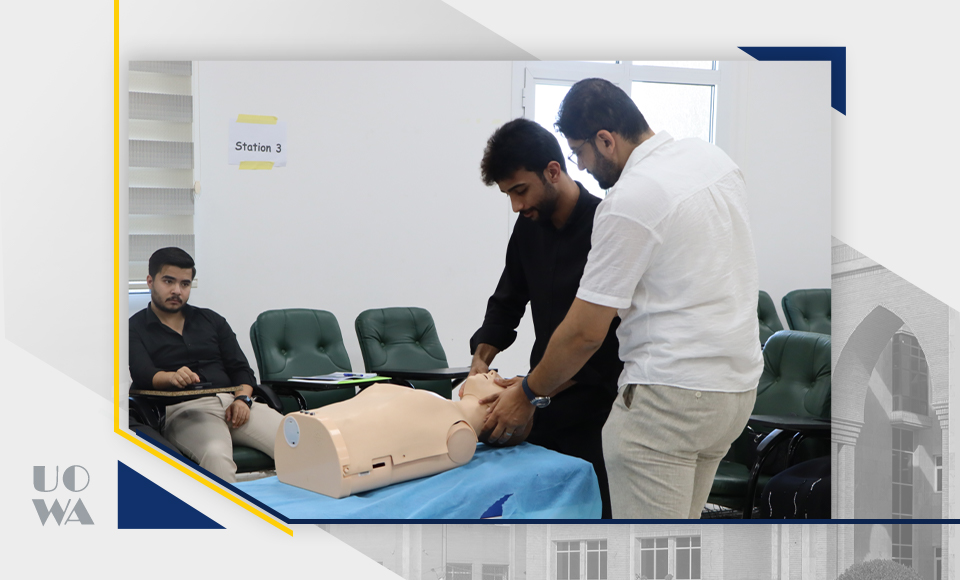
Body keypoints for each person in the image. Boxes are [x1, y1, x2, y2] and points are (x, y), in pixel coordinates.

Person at [482, 79, 763, 519]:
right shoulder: (713, 161)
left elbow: (584, 335)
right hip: (732, 391)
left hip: (667, 400)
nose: (581, 165)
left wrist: (527, 393)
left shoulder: (627, 201)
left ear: (605, 140)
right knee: (681, 542)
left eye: (579, 153)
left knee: (647, 550)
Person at [469, 117, 622, 518]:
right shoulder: (528, 228)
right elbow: (507, 300)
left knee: (594, 516)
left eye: (520, 190)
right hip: (542, 398)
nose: (517, 206)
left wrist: (530, 391)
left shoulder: (606, 226)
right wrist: (481, 360)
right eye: (508, 195)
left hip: (600, 408)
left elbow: (604, 343)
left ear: (553, 171)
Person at [129, 247, 282, 482]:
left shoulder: (212, 320)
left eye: (185, 284)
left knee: (300, 440)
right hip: (186, 411)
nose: (177, 290)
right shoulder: (134, 327)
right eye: (168, 281)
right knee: (215, 455)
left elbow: (241, 369)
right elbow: (143, 373)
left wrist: (243, 399)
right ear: (150, 281)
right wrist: (171, 377)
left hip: (235, 404)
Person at [276, 371, 531, 498]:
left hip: (333, 450)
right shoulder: (441, 406)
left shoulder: (458, 434)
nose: (494, 373)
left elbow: (395, 453)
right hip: (314, 432)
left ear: (498, 409)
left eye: (502, 381)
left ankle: (322, 438)